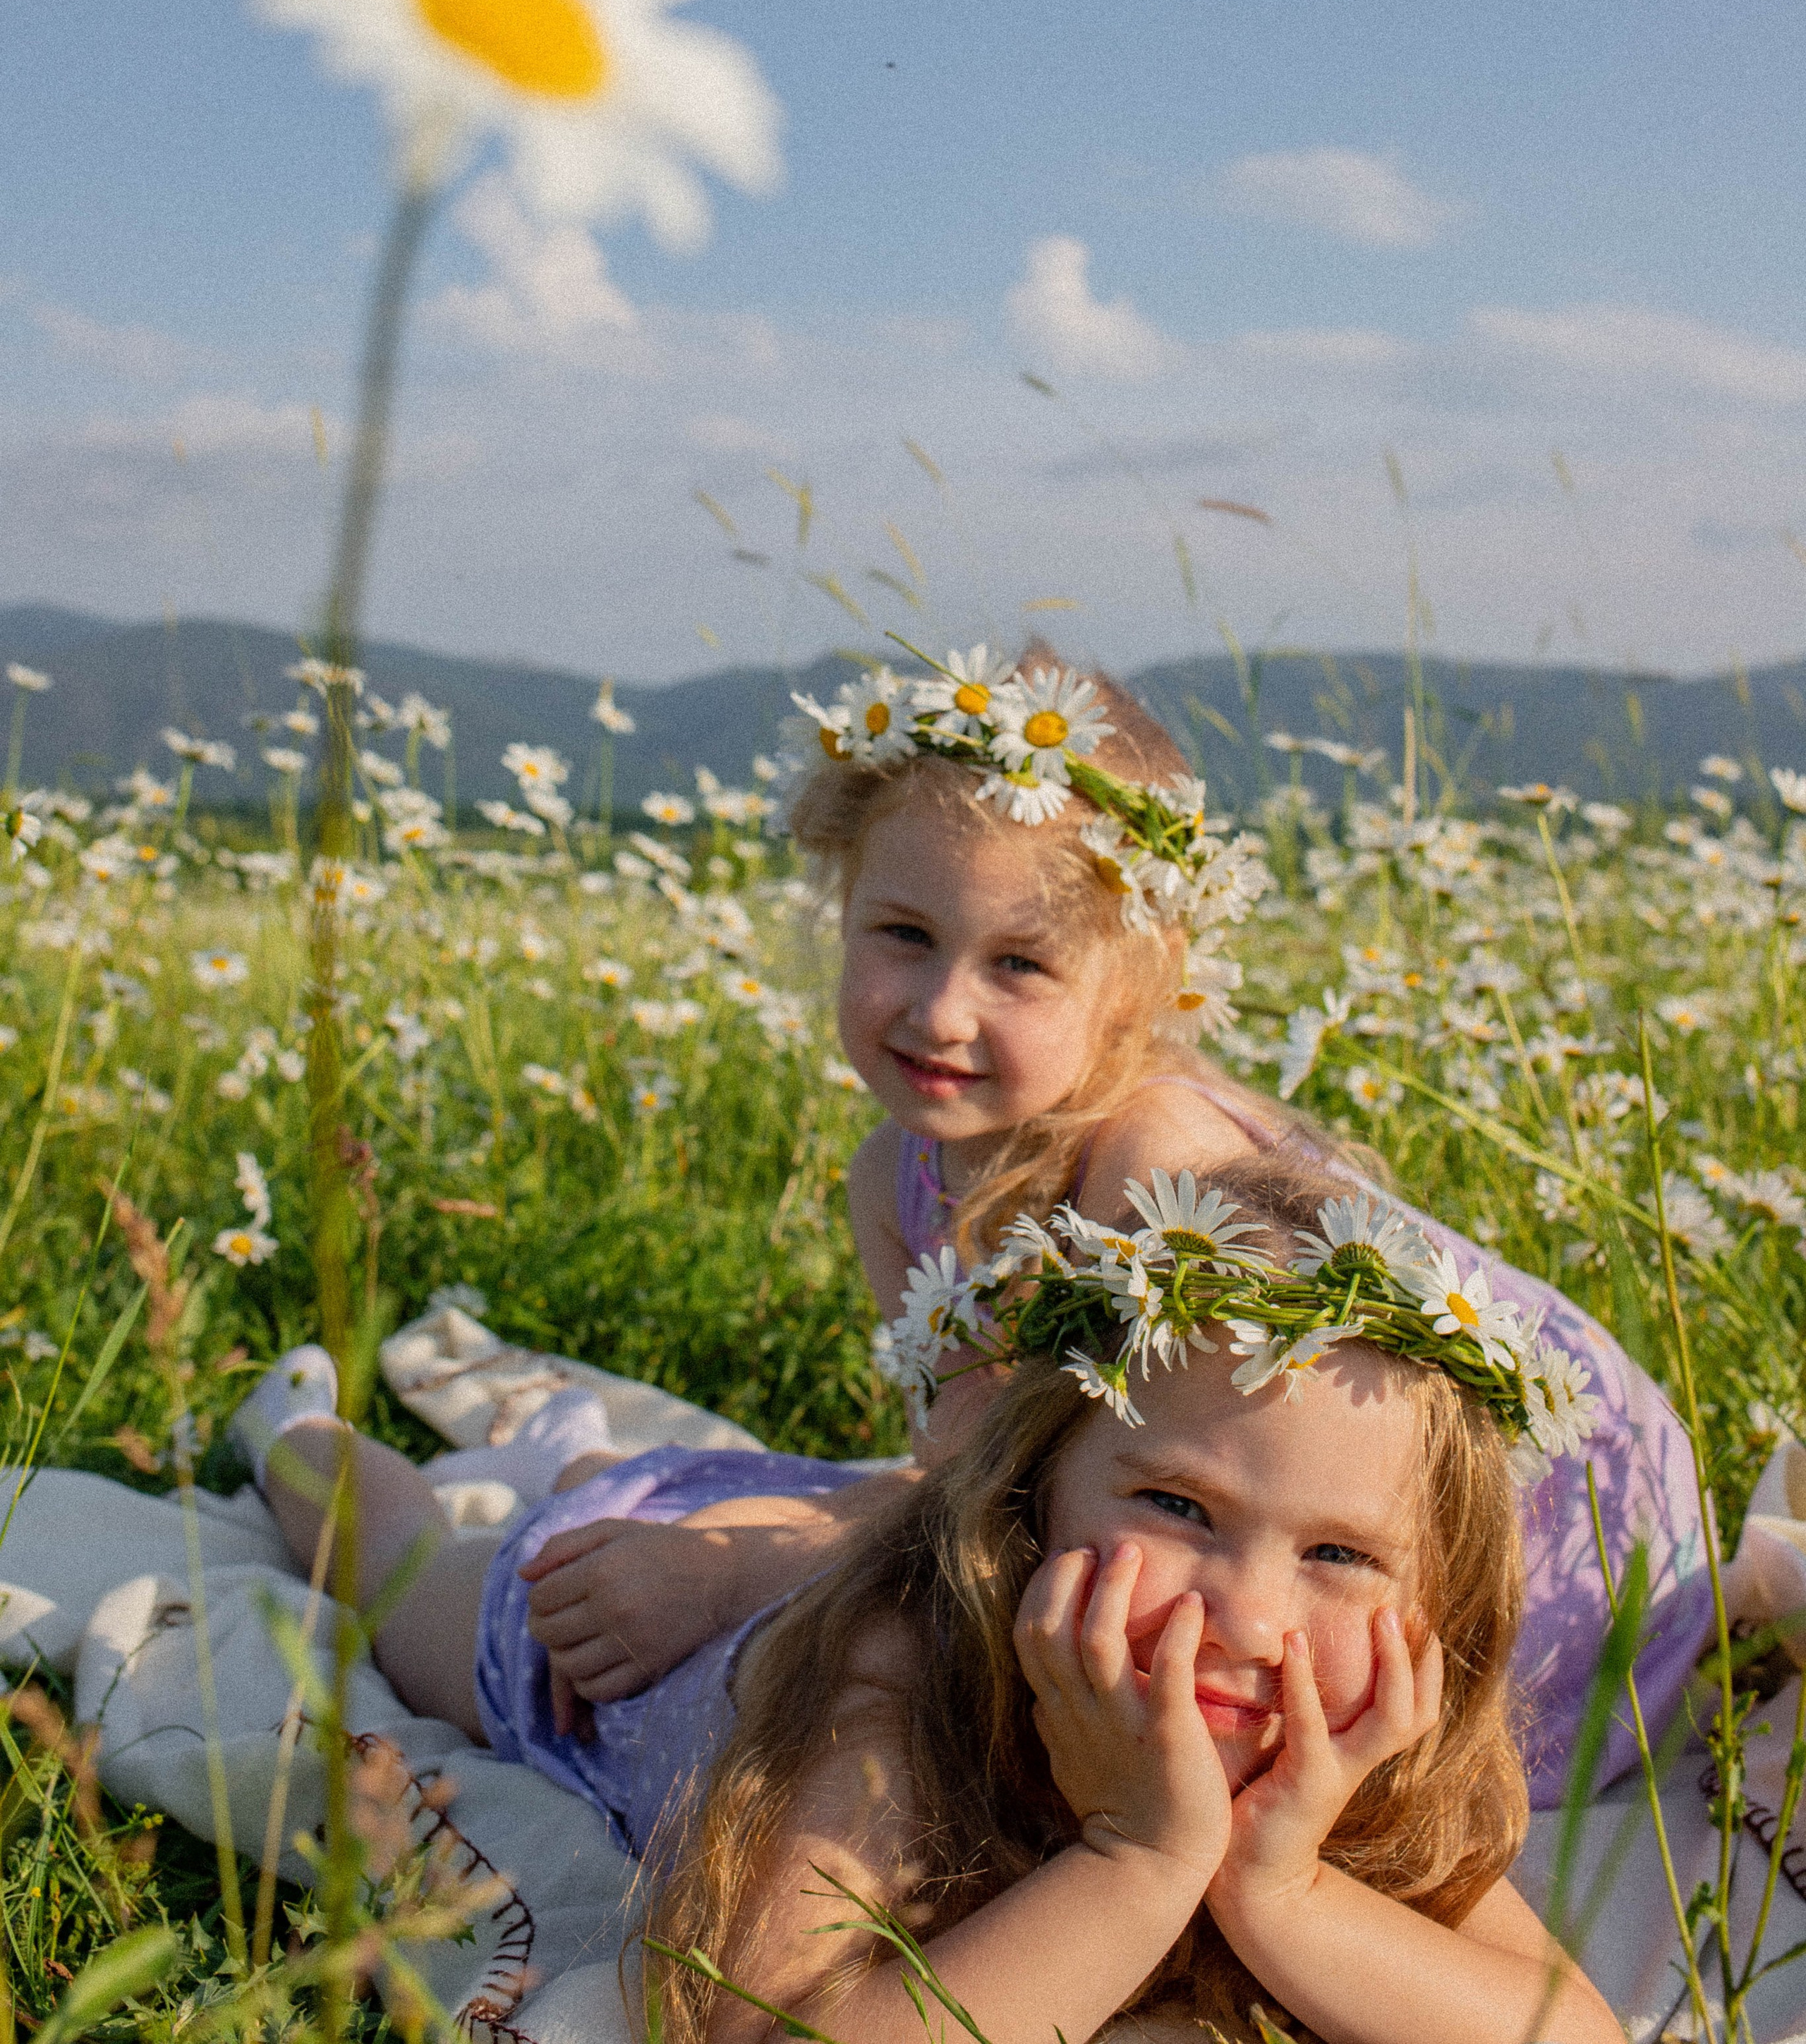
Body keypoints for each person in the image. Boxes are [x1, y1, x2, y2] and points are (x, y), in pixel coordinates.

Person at [515, 648, 1710, 1809]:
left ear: (1137, 984)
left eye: (1020, 965)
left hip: (1522, 1581)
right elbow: (973, 1468)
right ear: (842, 908)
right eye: (902, 936)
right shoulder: (895, 1180)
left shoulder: (1155, 1160)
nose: (942, 1010)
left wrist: (739, 1569)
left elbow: (1052, 1498)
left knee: (876, 1649)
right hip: (1237, 1548)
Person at [239, 1154, 1620, 2043]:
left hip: (765, 1538)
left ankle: (605, 1457)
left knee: (631, 1482)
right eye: (1176, 1508)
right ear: (1032, 1496)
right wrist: (1134, 1863)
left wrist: (1281, 1886)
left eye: (1336, 1555)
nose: (1249, 1621)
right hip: (615, 1648)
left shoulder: (1352, 1744)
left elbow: (1571, 2037)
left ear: (1429, 1599)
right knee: (406, 1577)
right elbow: (755, 2031)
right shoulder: (898, 1676)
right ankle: (294, 1436)